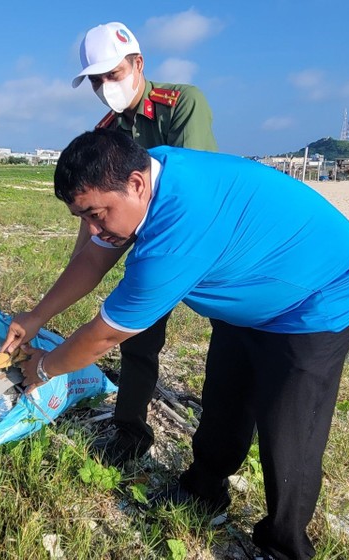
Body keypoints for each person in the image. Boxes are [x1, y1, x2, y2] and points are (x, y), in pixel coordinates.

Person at [2, 129, 349, 560]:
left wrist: (45, 367)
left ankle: (284, 544)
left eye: (96, 215)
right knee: (225, 395)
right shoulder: (144, 170)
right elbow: (92, 258)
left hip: (318, 295)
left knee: (289, 429)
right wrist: (35, 318)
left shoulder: (176, 235)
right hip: (250, 286)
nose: (92, 228)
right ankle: (204, 490)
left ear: (136, 185)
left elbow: (104, 335)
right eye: (83, 217)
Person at [70, 21, 219, 465]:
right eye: (96, 81)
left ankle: (215, 434)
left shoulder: (181, 104)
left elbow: (193, 184)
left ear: (138, 64)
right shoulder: (108, 130)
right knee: (137, 337)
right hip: (149, 244)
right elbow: (95, 208)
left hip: (200, 238)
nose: (105, 88)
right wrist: (82, 262)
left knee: (227, 340)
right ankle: (130, 430)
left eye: (112, 75)